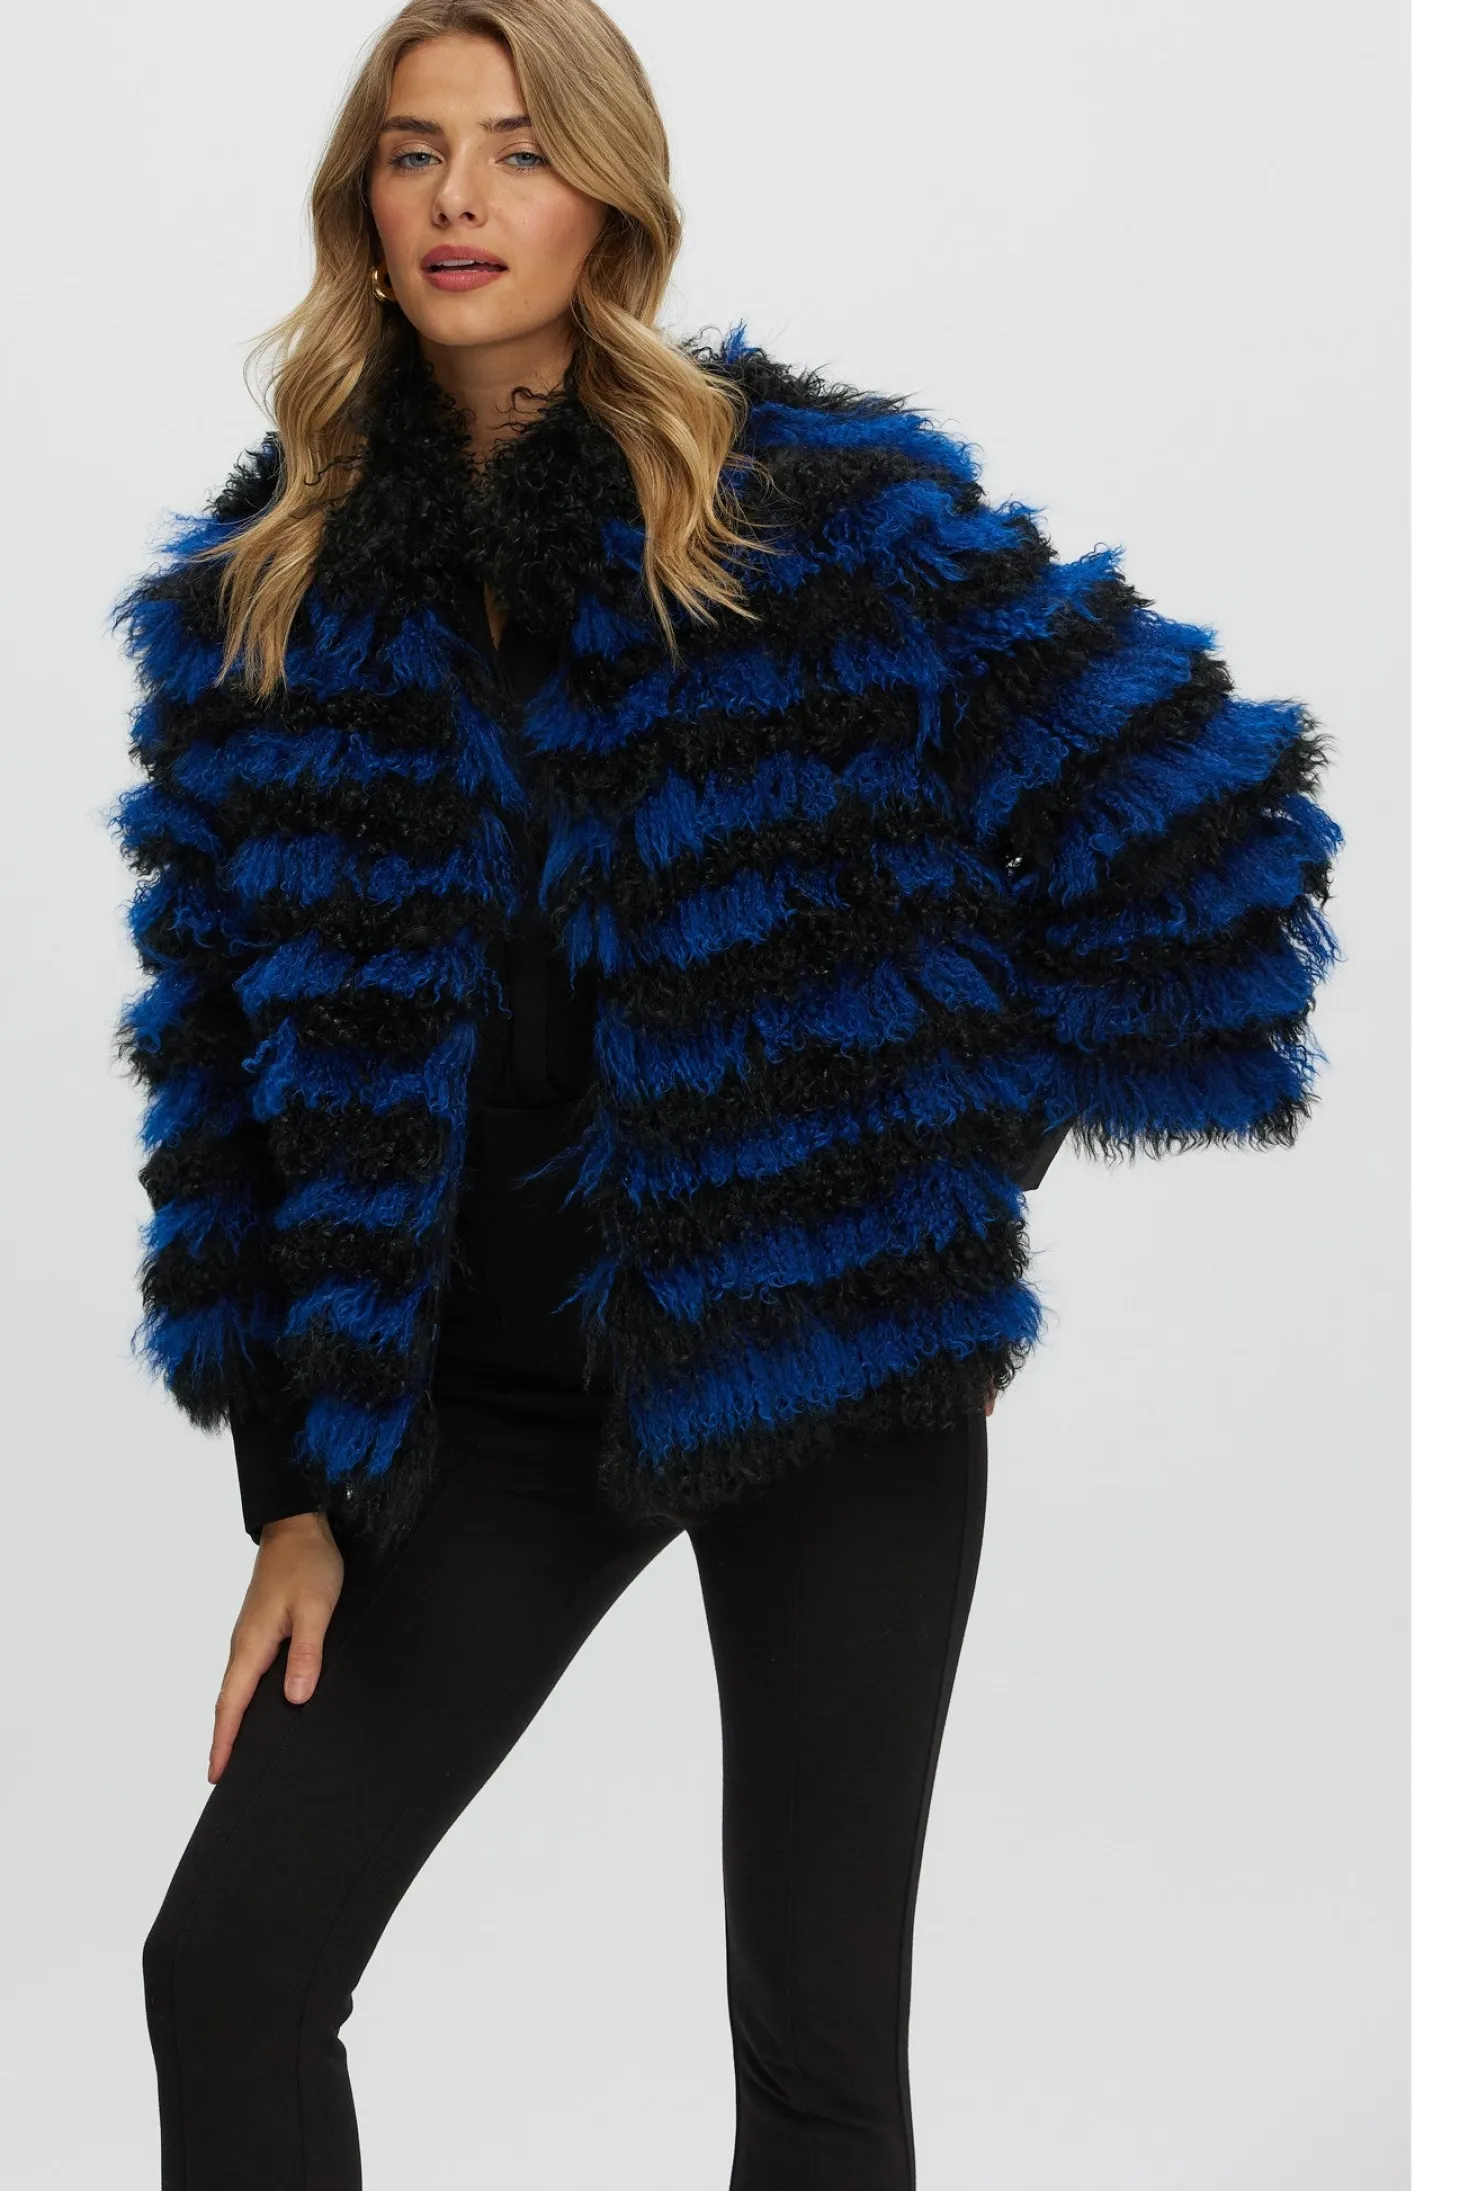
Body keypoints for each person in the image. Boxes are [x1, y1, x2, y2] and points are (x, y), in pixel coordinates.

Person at [111, 3, 1343, 2184]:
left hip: (829, 1365)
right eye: (414, 151)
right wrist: (289, 1492)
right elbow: (218, 1071)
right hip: (486, 1409)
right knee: (228, 1968)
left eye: (519, 148)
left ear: (609, 197)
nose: (463, 199)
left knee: (816, 2046)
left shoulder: (812, 512)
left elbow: (1209, 822)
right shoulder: (263, 592)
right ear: (359, 203)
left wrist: (910, 1146)